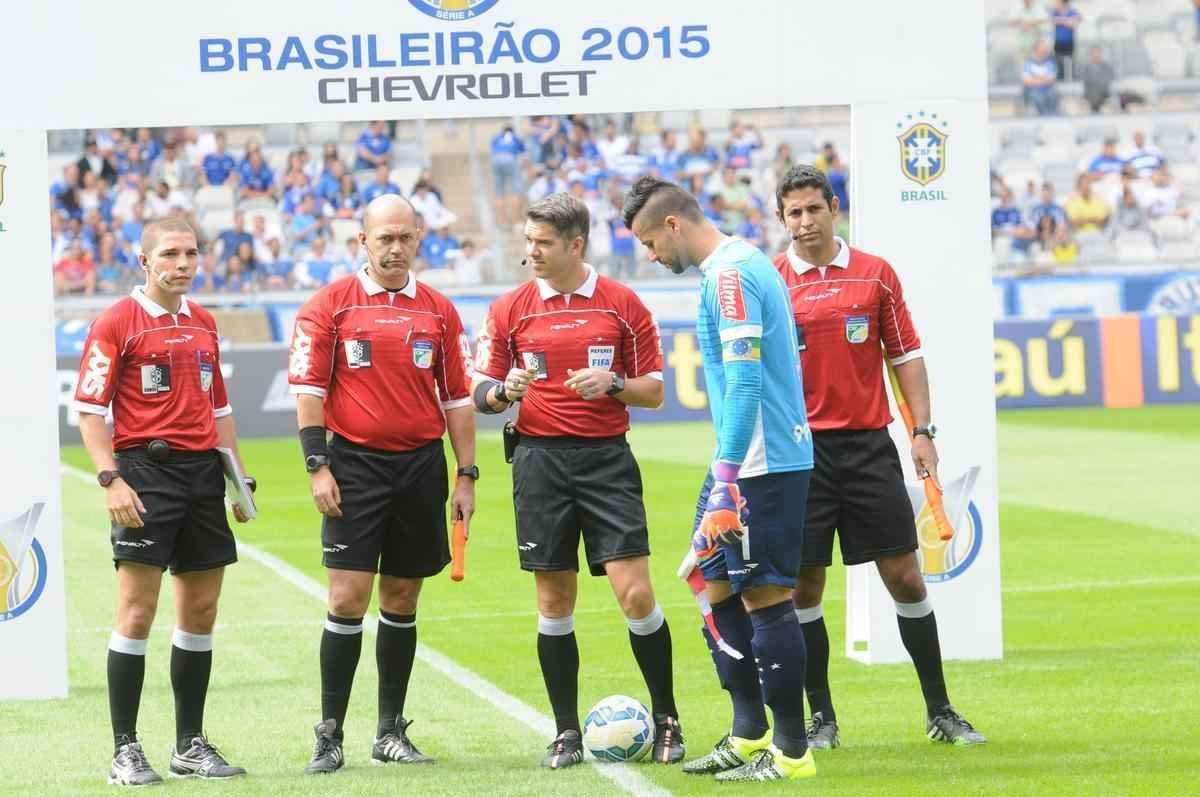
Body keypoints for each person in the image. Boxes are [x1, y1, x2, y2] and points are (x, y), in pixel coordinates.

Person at [767, 164, 985, 750]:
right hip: (799, 453)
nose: (805, 221)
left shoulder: (875, 274)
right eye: (794, 212)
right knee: (803, 590)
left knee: (906, 577)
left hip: (867, 448)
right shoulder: (770, 281)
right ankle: (823, 719)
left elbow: (907, 355)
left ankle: (940, 710)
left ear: (833, 207)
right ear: (781, 218)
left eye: (814, 208)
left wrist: (923, 431)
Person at [470, 193, 684, 770]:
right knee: (553, 599)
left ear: (575, 244)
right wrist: (503, 392)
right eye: (527, 242)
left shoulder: (622, 305)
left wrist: (612, 382)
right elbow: (481, 394)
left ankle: (667, 718)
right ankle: (565, 732)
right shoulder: (509, 308)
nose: (531, 253)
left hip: (606, 462)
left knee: (635, 594)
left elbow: (655, 391)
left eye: (542, 243)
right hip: (539, 464)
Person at [623, 177, 817, 782]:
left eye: (651, 241)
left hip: (762, 466)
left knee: (766, 597)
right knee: (711, 581)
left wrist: (727, 481)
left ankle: (790, 752)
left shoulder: (732, 276)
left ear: (674, 225)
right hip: (741, 464)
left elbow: (750, 384)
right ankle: (749, 731)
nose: (651, 255)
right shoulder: (729, 269)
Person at [288, 195, 476, 774]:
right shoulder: (330, 306)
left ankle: (389, 730)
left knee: (401, 598)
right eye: (383, 238)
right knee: (346, 598)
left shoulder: (440, 311)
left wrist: (465, 474)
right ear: (362, 243)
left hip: (421, 467)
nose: (394, 248)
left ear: (418, 239)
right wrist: (318, 465)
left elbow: (458, 399)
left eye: (404, 238)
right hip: (355, 468)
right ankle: (330, 734)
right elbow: (310, 392)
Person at [72, 217, 253, 786]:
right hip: (145, 474)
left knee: (200, 613)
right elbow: (88, 411)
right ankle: (124, 750)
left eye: (191, 254)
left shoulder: (203, 322)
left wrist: (238, 481)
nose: (182, 264)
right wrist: (111, 480)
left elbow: (218, 410)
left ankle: (189, 745)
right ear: (143, 260)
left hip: (203, 476)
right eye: (170, 254)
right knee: (137, 612)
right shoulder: (116, 322)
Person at [490, 125, 526, 227]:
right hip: (510, 158)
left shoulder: (496, 138)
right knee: (517, 190)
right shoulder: (516, 138)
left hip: (496, 159)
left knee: (499, 192)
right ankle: (517, 221)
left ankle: (502, 221)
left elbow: (493, 150)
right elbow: (524, 155)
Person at [1023, 40, 1059, 116]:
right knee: (1037, 97)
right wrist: (1043, 79)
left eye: (1045, 48)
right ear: (1036, 49)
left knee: (1053, 94)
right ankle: (1045, 117)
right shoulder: (1028, 62)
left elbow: (1052, 79)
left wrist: (1035, 77)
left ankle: (1050, 118)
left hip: (1048, 89)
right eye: (1043, 48)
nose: (1045, 50)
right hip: (1034, 90)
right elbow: (1027, 81)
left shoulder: (1050, 62)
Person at [1050, 0, 1081, 80]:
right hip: (1058, 42)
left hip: (1069, 42)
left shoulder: (1073, 11)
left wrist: (1061, 21)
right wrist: (1067, 21)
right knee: (1058, 62)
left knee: (1071, 62)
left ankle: (1073, 79)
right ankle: (1060, 79)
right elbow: (1053, 21)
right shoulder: (1055, 12)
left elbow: (1074, 25)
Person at [1080, 46, 1116, 114]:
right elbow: (1086, 82)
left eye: (1098, 54)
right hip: (1090, 95)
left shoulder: (1107, 67)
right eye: (1094, 54)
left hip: (1104, 93)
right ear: (1090, 55)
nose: (1097, 56)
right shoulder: (1085, 68)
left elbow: (1108, 80)